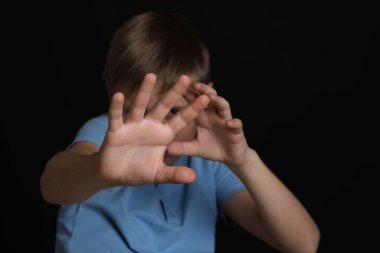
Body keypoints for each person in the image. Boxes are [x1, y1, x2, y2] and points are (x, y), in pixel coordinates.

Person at [41, 11, 320, 253]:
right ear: (111, 92)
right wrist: (98, 170)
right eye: (139, 110)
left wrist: (244, 161)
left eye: (173, 112)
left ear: (205, 99)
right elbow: (52, 185)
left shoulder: (209, 162)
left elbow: (303, 244)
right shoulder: (105, 134)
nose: (157, 129)